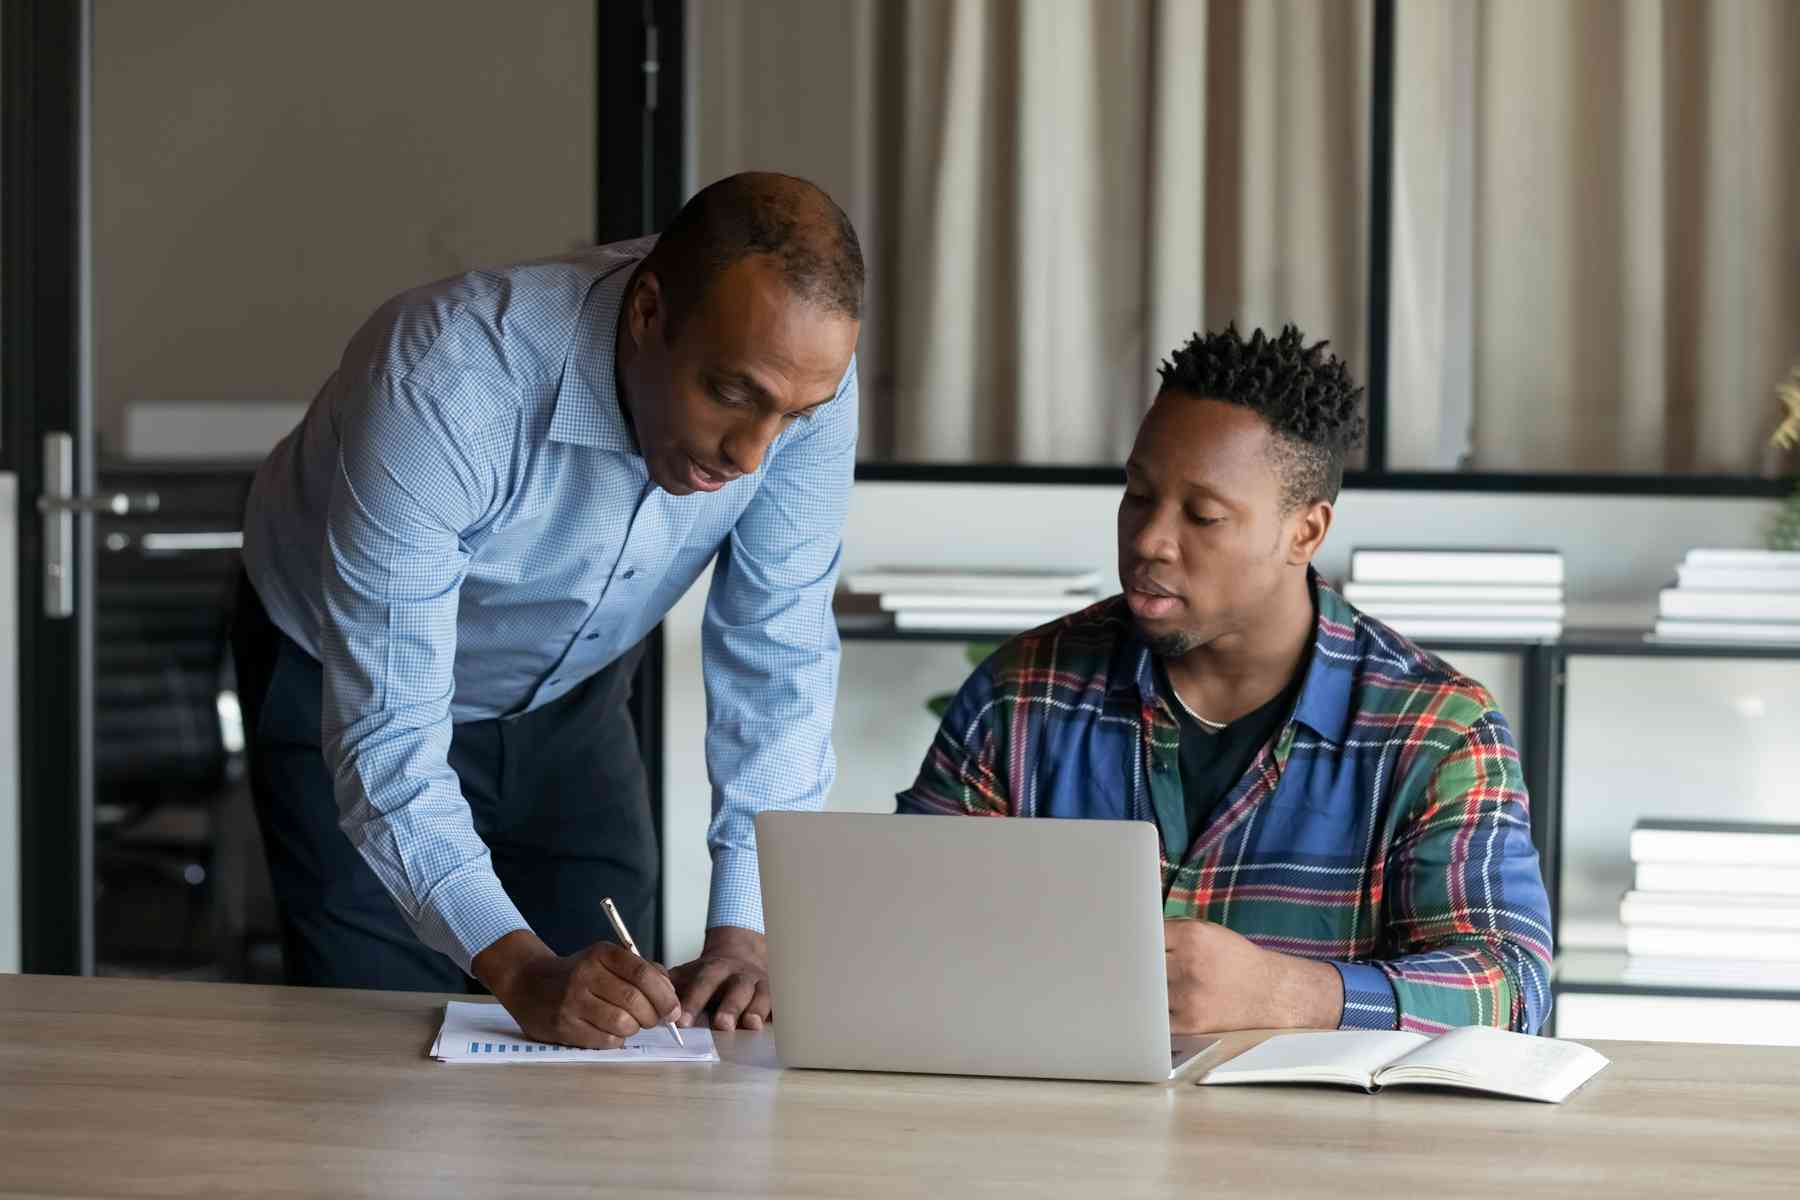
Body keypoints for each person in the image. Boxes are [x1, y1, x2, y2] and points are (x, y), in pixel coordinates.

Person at [234, 172, 862, 1046]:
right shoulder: (443, 378)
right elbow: (388, 735)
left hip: (572, 691)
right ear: (648, 313)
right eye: (730, 394)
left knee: (619, 1022)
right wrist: (518, 967)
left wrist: (747, 928)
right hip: (340, 676)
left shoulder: (801, 380)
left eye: (794, 417)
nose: (755, 454)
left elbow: (780, 656)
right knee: (374, 1045)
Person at [898, 324, 1553, 1035]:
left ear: (1304, 533)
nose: (1150, 539)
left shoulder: (1437, 731)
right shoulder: (1022, 695)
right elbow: (904, 924)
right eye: (1138, 495)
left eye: (1203, 515)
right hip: (1060, 1131)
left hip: (1317, 1141)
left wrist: (1288, 995)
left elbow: (1510, 989)